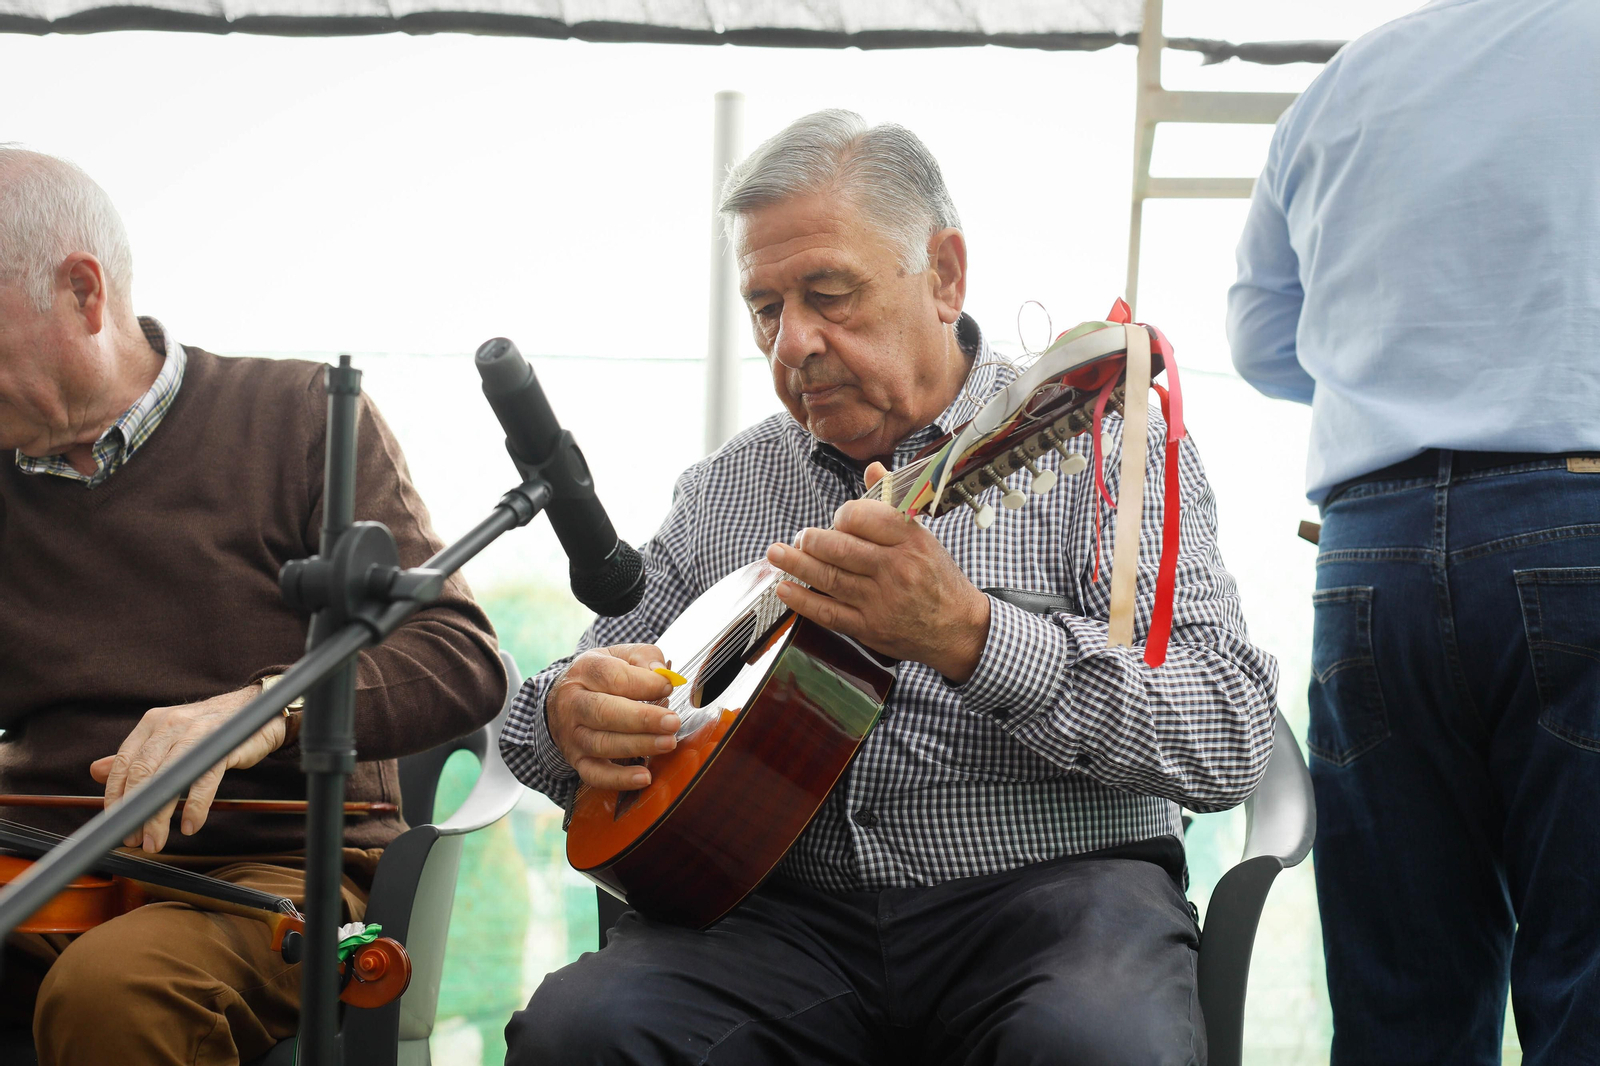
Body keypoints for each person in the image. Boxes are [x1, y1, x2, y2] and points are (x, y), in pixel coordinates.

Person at [500, 109, 1279, 1065]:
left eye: (830, 294)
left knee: (1091, 1048)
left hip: (1056, 904)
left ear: (945, 274)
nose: (793, 343)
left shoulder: (1106, 450)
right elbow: (549, 710)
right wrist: (569, 719)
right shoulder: (725, 488)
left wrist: (973, 638)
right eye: (765, 308)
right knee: (581, 1033)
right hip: (778, 924)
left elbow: (1230, 730)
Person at [0, 145, 507, 1065]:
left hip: (272, 878)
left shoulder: (302, 416)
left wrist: (263, 710)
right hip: (41, 869)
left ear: (82, 292)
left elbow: (459, 655)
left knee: (112, 991)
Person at [1226, 3, 1600, 1063]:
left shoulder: (1341, 84)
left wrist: (1397, 380)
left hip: (1369, 554)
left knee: (1402, 999)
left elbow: (1258, 337)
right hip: (1575, 530)